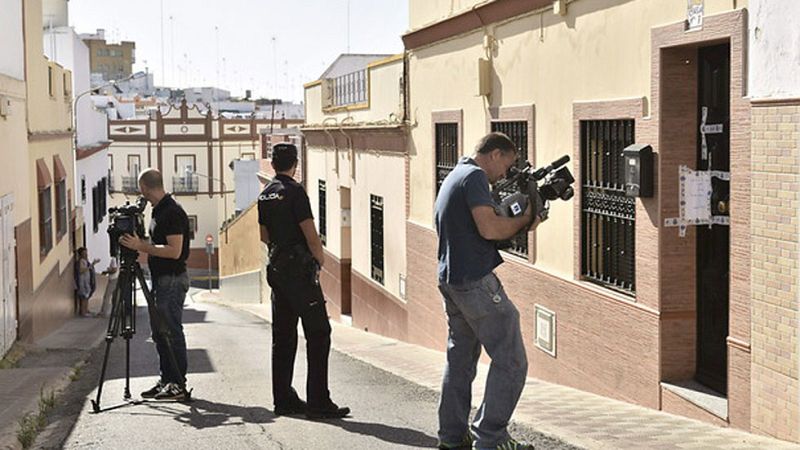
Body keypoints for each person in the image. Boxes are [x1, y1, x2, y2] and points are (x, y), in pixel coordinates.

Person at [434, 132, 540, 450]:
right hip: (474, 281)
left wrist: (521, 218)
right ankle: (491, 438)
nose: (506, 174)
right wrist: (525, 218)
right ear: (494, 154)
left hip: (451, 279)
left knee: (461, 359)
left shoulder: (457, 174)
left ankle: (452, 437)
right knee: (512, 360)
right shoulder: (476, 176)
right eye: (507, 164)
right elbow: (490, 228)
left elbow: (480, 227)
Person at [258, 143, 349, 419]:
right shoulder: (295, 192)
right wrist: (319, 260)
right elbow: (309, 232)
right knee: (319, 334)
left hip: (277, 271)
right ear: (295, 164)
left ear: (273, 165)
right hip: (299, 272)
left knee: (283, 337)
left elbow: (264, 235)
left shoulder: (265, 195)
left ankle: (283, 399)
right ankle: (319, 402)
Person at [120, 168, 191, 401]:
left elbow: (174, 251)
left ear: (145, 187)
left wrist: (141, 246)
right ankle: (167, 380)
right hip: (161, 279)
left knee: (170, 331)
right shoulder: (159, 210)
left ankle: (178, 384)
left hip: (171, 279)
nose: (141, 195)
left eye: (142, 190)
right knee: (160, 333)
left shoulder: (170, 212)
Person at [75, 247, 99, 317]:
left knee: (87, 296)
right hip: (83, 281)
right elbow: (81, 270)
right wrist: (90, 266)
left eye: (86, 253)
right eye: (84, 253)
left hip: (86, 281)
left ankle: (86, 310)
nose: (86, 254)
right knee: (84, 297)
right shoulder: (81, 261)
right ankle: (83, 312)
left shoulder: (85, 261)